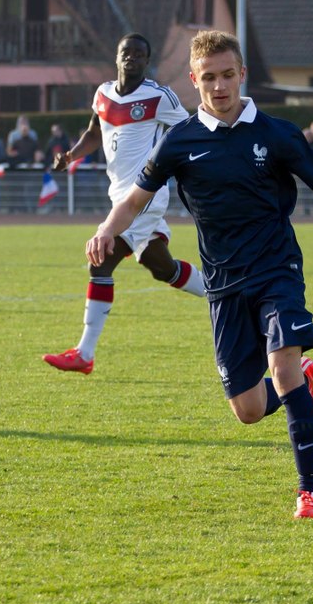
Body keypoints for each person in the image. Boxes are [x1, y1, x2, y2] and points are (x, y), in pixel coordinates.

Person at [85, 29, 313, 519]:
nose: (219, 86)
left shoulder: (277, 134)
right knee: (247, 409)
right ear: (195, 80)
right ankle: (302, 381)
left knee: (280, 369)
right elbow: (134, 199)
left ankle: (310, 493)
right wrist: (107, 229)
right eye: (209, 78)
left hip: (277, 270)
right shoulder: (180, 142)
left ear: (242, 74)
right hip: (222, 284)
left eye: (227, 75)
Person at [43, 33, 206, 374]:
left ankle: (84, 354)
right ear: (116, 58)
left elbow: (193, 131)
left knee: (100, 260)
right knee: (160, 266)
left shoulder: (159, 96)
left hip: (144, 196)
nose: (131, 58)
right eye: (125, 52)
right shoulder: (102, 94)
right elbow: (93, 132)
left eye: (138, 54)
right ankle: (223, 290)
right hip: (119, 196)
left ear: (147, 61)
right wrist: (72, 156)